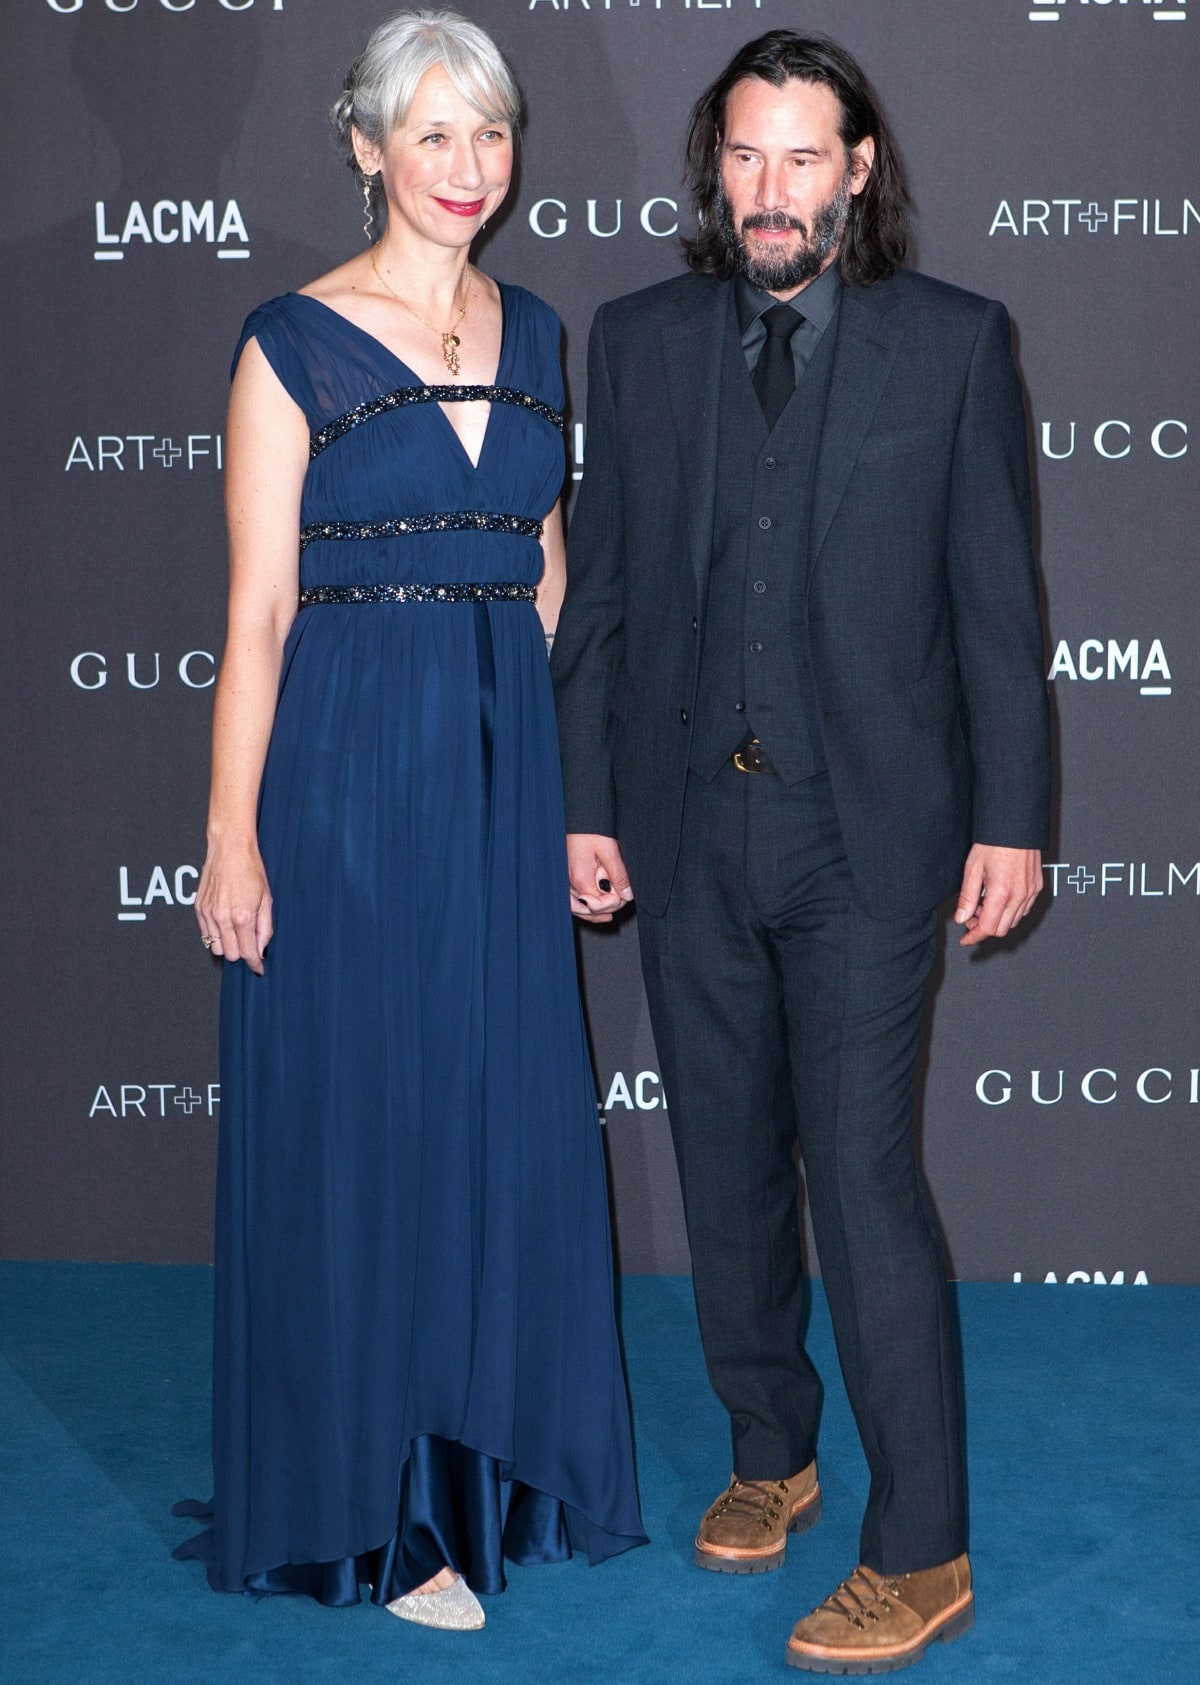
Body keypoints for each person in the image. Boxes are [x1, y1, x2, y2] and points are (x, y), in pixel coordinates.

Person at [552, 29, 1050, 1675]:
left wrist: (1015, 818)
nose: (770, 191)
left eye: (802, 158)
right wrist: (587, 796)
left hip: (868, 844)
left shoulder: (958, 346)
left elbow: (998, 612)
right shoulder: (633, 344)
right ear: (717, 170)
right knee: (723, 1177)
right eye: (744, 158)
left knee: (864, 1181)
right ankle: (774, 1447)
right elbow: (606, 598)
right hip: (693, 832)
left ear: (858, 170)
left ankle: (923, 1546)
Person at [177, 8, 645, 1633]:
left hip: (508, 764)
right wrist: (233, 834)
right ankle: (379, 1512)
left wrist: (577, 797)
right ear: (365, 145)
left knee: (495, 1111)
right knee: (368, 1119)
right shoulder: (287, 341)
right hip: (356, 770)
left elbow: (555, 574)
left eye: (491, 134)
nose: (467, 168)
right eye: (430, 135)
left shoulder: (535, 331)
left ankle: (492, 1465)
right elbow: (253, 616)